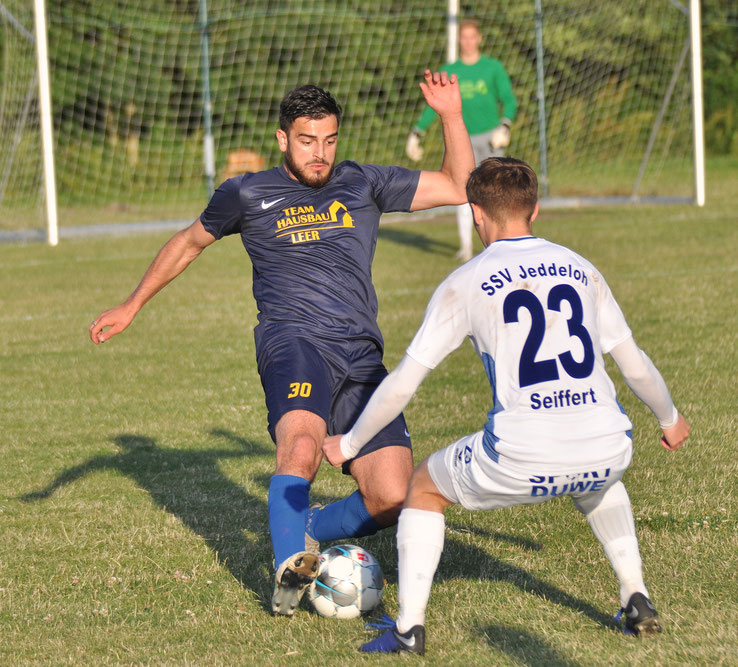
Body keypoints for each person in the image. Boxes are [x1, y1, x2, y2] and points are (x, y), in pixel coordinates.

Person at [89, 71, 475, 617]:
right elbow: (188, 242)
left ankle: (310, 530)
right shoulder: (246, 192)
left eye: (329, 140)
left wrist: (451, 115)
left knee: (390, 495)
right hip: (292, 341)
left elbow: (460, 185)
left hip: (362, 355)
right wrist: (132, 304)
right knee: (299, 448)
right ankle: (288, 576)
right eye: (306, 141)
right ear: (282, 139)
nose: (319, 154)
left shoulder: (364, 182)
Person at [323, 157, 690, 654]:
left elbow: (403, 384)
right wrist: (670, 419)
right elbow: (636, 365)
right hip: (609, 446)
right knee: (599, 476)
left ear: (476, 214)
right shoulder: (581, 268)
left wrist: (348, 443)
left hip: (522, 455)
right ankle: (636, 596)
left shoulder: (466, 281)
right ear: (534, 211)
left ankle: (409, 629)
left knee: (424, 489)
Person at [406, 18, 517, 263]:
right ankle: (466, 248)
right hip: (460, 140)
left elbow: (509, 100)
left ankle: (500, 243)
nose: (467, 42)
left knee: (495, 191)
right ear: (459, 40)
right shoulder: (450, 70)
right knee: (462, 190)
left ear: (479, 39)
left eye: (471, 37)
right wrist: (418, 131)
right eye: (463, 37)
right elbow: (435, 104)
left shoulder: (492, 68)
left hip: (490, 139)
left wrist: (505, 125)